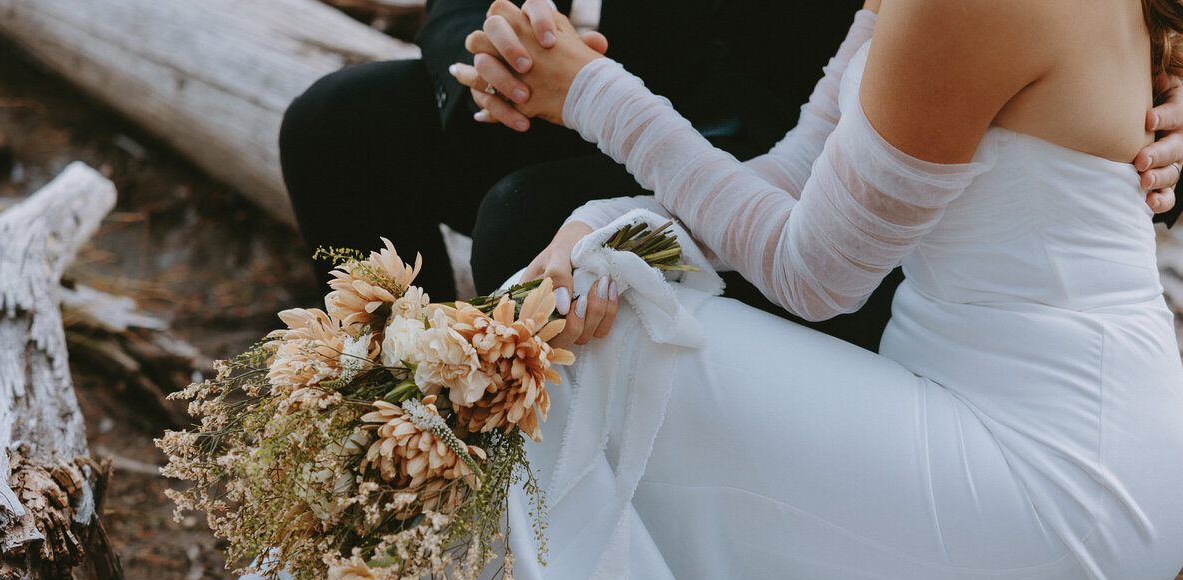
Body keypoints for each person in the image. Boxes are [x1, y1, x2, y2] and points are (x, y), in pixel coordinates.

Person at [187, 1, 1183, 580]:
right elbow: (794, 175)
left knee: (608, 345)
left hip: (1057, 474)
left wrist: (595, 96)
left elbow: (814, 274)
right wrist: (607, 218)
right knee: (577, 310)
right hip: (995, 402)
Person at [278, 0, 1183, 352]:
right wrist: (494, 58)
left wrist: (1158, 109)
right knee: (333, 125)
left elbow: (1100, 44)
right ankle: (385, 411)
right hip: (566, 96)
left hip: (813, 170)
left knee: (533, 234)